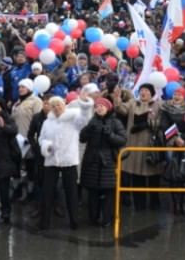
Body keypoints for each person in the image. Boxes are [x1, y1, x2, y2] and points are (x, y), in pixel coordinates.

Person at [36, 89, 93, 230]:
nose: (56, 108)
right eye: (53, 106)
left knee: (71, 191)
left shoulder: (73, 118)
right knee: (47, 191)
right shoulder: (47, 122)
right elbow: (41, 138)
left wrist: (85, 103)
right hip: (51, 160)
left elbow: (84, 120)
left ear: (64, 105)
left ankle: (74, 221)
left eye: (59, 105)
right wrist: (45, 146)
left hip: (69, 159)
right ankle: (44, 222)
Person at [79, 96, 127, 227]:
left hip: (108, 161)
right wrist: (88, 129)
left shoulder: (115, 122)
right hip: (92, 160)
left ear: (108, 108)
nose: (99, 108)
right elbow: (82, 138)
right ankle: (93, 218)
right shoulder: (92, 120)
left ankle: (106, 218)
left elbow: (123, 139)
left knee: (108, 192)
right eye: (97, 106)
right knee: (92, 191)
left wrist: (110, 135)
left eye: (102, 106)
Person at [115, 83, 162, 211]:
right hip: (133, 145)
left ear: (151, 93)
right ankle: (139, 204)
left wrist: (149, 122)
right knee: (136, 176)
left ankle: (154, 203)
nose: (143, 93)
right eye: (141, 90)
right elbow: (122, 110)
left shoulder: (158, 105)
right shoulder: (132, 103)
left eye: (146, 90)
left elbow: (162, 121)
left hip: (150, 145)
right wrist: (117, 99)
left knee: (153, 176)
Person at [159, 86, 185, 215]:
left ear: (184, 96)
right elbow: (163, 125)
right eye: (175, 94)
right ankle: (175, 203)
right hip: (171, 142)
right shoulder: (165, 108)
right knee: (173, 171)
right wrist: (175, 138)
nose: (177, 97)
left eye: (179, 94)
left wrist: (184, 138)